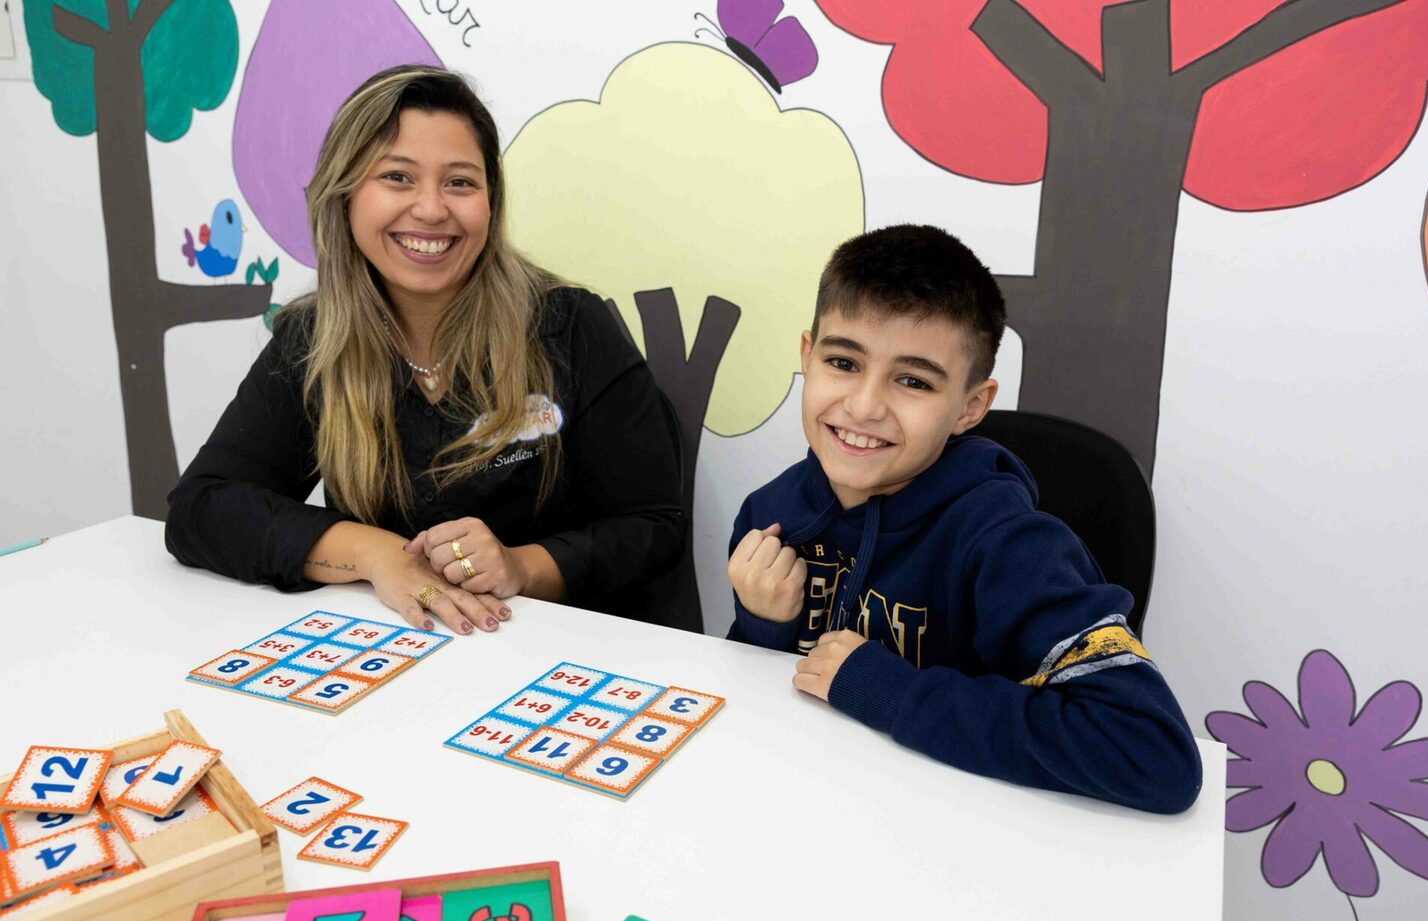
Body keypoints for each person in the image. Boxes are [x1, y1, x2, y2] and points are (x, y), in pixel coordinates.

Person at [166, 66, 686, 633]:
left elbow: (654, 526)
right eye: (397, 177)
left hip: (557, 661)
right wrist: (378, 555)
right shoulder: (311, 340)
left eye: (460, 182)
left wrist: (521, 567)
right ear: (345, 196)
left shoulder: (571, 325)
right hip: (398, 650)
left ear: (491, 201)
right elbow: (202, 510)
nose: (432, 210)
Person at [725, 224, 1202, 813]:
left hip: (961, 845)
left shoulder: (1010, 545)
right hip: (808, 809)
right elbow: (763, 708)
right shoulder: (770, 515)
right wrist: (762, 626)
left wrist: (892, 693)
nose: (865, 405)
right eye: (844, 362)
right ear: (807, 356)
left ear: (971, 406)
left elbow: (1154, 756)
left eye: (912, 380)